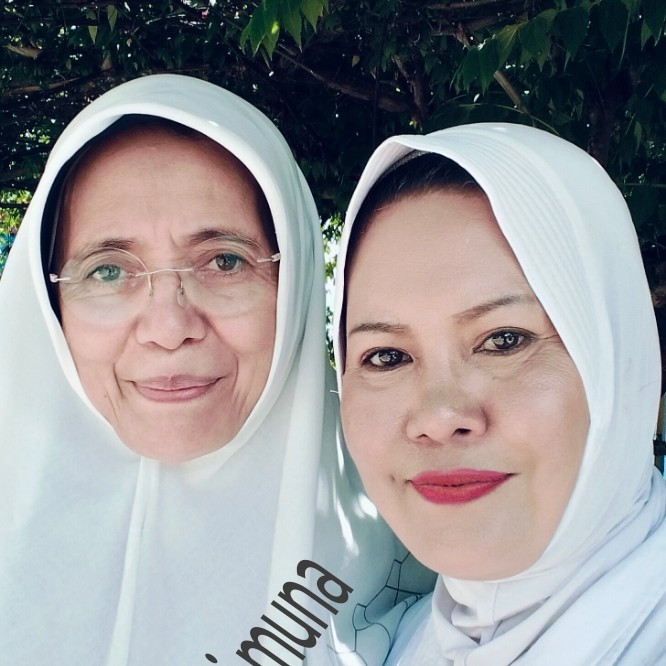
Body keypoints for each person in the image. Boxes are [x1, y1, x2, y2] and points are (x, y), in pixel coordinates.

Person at [0, 74, 433, 665]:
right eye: (108, 270)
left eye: (224, 261)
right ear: (52, 305)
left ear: (293, 282)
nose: (168, 326)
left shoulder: (431, 523)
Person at [333, 123, 666, 664]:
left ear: (616, 360)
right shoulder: (385, 641)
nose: (439, 415)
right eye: (387, 356)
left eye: (503, 340)